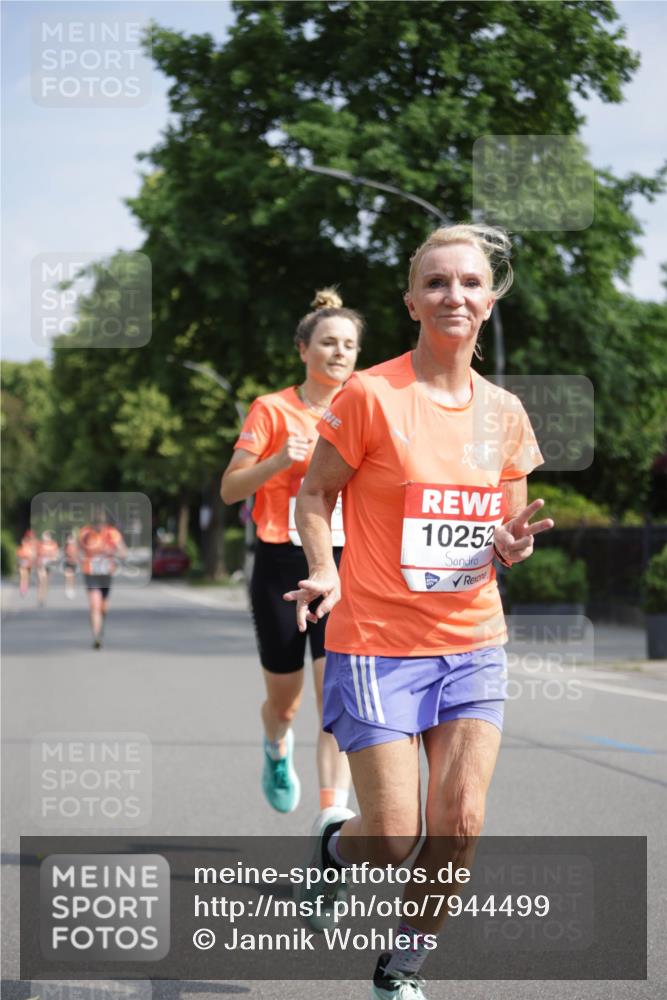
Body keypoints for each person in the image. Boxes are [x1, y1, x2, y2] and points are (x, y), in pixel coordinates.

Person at [286, 225, 554, 999]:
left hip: (472, 641)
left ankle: (401, 966)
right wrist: (320, 569)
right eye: (436, 283)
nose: (454, 295)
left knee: (461, 823)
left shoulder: (504, 413)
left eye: (469, 282)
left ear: (489, 299)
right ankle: (336, 850)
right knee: (395, 835)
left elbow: (503, 536)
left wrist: (508, 547)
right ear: (411, 302)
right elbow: (313, 495)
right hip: (376, 642)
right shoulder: (370, 395)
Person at [221, 289, 363, 815]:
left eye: (349, 344)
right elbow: (231, 489)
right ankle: (277, 745)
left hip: (343, 564)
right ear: (304, 349)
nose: (340, 352)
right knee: (288, 703)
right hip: (281, 563)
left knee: (335, 702)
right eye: (328, 342)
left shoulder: (364, 408)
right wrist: (279, 460)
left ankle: (331, 819)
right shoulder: (272, 409)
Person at [78, 509, 127, 649]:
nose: (98, 527)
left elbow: (123, 552)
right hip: (91, 572)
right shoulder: (85, 532)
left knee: (103, 607)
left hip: (106, 574)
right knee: (95, 605)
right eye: (95, 524)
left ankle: (101, 624)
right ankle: (96, 636)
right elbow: (77, 549)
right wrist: (79, 557)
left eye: (100, 524)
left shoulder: (112, 533)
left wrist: (113, 552)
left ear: (105, 523)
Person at [16, 529, 38, 597]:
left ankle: (25, 588)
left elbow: (34, 554)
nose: (31, 538)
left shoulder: (34, 544)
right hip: (23, 561)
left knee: (27, 576)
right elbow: (20, 552)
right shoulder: (24, 542)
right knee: (23, 575)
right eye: (30, 536)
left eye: (32, 536)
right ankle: (22, 589)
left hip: (29, 562)